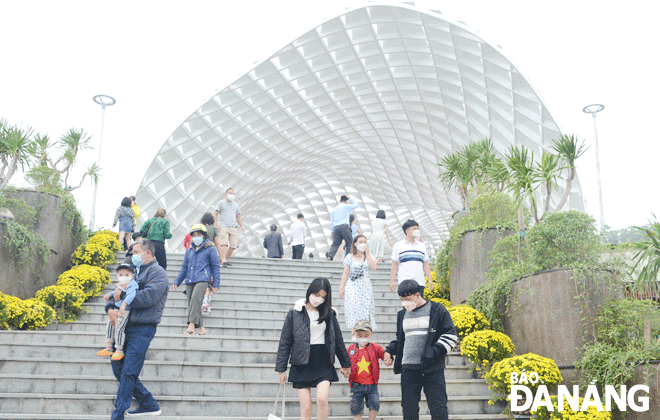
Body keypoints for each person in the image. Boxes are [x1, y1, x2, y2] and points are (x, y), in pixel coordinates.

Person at [104, 239, 169, 419]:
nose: (133, 255)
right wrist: (109, 309)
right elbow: (115, 292)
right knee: (118, 368)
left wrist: (123, 296)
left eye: (136, 252)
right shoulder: (133, 272)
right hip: (123, 327)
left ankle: (118, 414)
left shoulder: (158, 273)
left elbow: (148, 298)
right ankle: (148, 402)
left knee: (129, 370)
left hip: (143, 329)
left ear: (147, 253)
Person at [275, 277, 352, 420]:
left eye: (323, 297)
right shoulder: (295, 312)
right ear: (310, 291)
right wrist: (281, 369)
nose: (318, 299)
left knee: (322, 399)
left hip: (323, 360)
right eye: (316, 295)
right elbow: (285, 342)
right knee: (306, 409)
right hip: (301, 362)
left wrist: (345, 363)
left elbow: (338, 340)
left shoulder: (329, 314)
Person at [383, 280, 458, 420]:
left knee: (439, 410)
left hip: (432, 369)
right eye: (402, 300)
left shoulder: (437, 309)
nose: (405, 303)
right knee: (409, 411)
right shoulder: (402, 314)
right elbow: (401, 340)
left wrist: (433, 352)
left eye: (408, 299)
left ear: (417, 295)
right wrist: (389, 350)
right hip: (408, 370)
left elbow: (450, 335)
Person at [173, 224, 221, 335]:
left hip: (203, 279)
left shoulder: (210, 248)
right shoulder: (189, 250)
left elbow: (215, 266)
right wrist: (177, 281)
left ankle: (191, 327)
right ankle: (202, 328)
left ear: (204, 235)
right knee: (193, 304)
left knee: (195, 300)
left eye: (198, 235)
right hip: (190, 280)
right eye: (194, 235)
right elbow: (184, 268)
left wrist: (216, 283)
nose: (196, 237)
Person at [97, 263, 139, 361]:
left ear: (132, 276)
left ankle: (119, 350)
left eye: (127, 275)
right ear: (117, 276)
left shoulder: (132, 284)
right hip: (116, 308)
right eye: (121, 275)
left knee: (119, 328)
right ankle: (108, 347)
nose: (123, 277)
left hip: (124, 311)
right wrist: (109, 295)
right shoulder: (120, 284)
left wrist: (124, 304)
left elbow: (131, 295)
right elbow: (116, 291)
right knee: (109, 326)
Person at [339, 234, 377, 339]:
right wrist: (341, 288)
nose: (363, 244)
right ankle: (354, 333)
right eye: (360, 242)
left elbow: (374, 267)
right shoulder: (349, 257)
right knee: (352, 307)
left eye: (365, 242)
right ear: (355, 244)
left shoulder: (369, 256)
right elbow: (345, 273)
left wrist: (368, 254)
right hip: (352, 286)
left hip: (365, 286)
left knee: (366, 308)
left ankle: (366, 332)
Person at [346, 319, 385, 420]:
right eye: (359, 335)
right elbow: (345, 363)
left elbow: (384, 354)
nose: (362, 338)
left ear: (371, 334)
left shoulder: (375, 348)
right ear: (354, 334)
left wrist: (388, 358)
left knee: (375, 403)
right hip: (356, 385)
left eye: (366, 335)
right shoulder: (350, 349)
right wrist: (344, 371)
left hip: (372, 385)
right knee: (356, 407)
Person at [390, 219, 434, 295]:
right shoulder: (398, 245)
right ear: (407, 231)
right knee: (407, 305)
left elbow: (426, 264)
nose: (417, 230)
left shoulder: (422, 246)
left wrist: (430, 279)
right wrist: (392, 281)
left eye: (417, 229)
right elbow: (394, 264)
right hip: (404, 282)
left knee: (420, 306)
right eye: (414, 229)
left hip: (419, 282)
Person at [214, 187, 245, 267]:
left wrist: (242, 226)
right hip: (223, 226)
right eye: (230, 193)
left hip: (233, 227)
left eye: (233, 194)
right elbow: (215, 214)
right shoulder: (220, 203)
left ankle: (224, 260)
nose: (232, 195)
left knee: (233, 246)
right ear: (226, 194)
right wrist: (217, 224)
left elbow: (238, 216)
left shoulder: (236, 205)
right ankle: (223, 260)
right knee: (224, 244)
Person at [328, 194, 359, 260]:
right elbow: (357, 205)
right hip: (344, 227)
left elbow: (332, 221)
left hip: (336, 228)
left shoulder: (334, 209)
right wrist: (350, 198)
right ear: (346, 201)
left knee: (335, 243)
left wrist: (332, 232)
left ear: (340, 200)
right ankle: (347, 258)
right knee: (349, 242)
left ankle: (330, 256)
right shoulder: (346, 206)